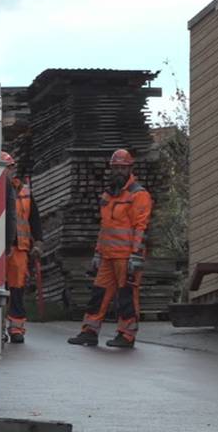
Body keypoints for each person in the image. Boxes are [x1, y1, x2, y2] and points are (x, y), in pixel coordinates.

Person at [68, 149, 152, 349]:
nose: (118, 171)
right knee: (99, 294)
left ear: (130, 169)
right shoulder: (108, 195)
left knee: (126, 296)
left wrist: (136, 255)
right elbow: (104, 227)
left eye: (122, 168)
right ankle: (89, 331)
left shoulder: (138, 195)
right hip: (107, 256)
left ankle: (127, 334)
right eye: (115, 168)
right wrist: (98, 252)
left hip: (127, 257)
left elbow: (142, 227)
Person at [1, 152, 43, 344]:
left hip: (19, 248)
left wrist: (39, 242)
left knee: (17, 289)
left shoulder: (24, 191)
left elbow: (34, 218)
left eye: (8, 168)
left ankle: (16, 328)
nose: (6, 172)